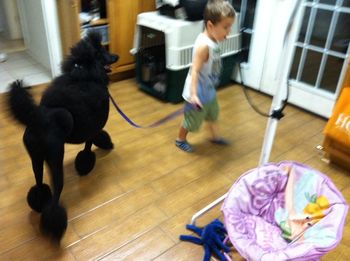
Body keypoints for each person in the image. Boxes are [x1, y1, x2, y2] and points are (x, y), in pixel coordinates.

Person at [175, 0, 236, 152]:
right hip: (197, 95)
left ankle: (214, 137)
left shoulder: (213, 38)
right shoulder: (204, 46)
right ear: (210, 26)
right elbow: (194, 70)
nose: (229, 31)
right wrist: (194, 95)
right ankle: (180, 139)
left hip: (209, 90)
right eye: (225, 27)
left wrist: (222, 33)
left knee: (213, 114)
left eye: (230, 27)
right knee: (192, 121)